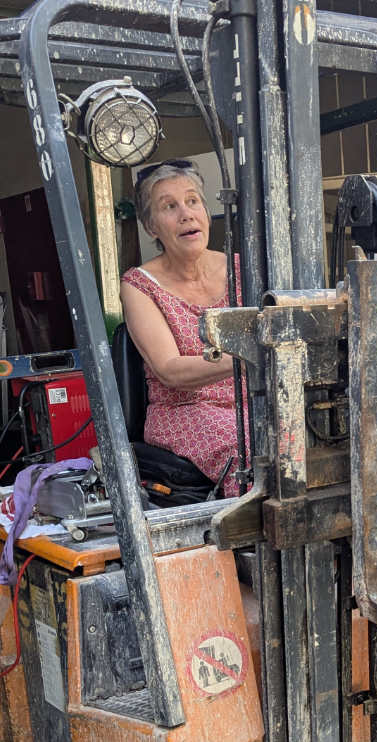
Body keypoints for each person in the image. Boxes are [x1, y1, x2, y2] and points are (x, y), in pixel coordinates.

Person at [120, 158, 245, 497]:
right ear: (151, 227)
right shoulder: (139, 285)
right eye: (169, 206)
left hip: (252, 403)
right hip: (185, 411)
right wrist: (245, 358)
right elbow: (169, 369)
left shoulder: (242, 267)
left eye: (192, 201)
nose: (186, 214)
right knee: (253, 451)